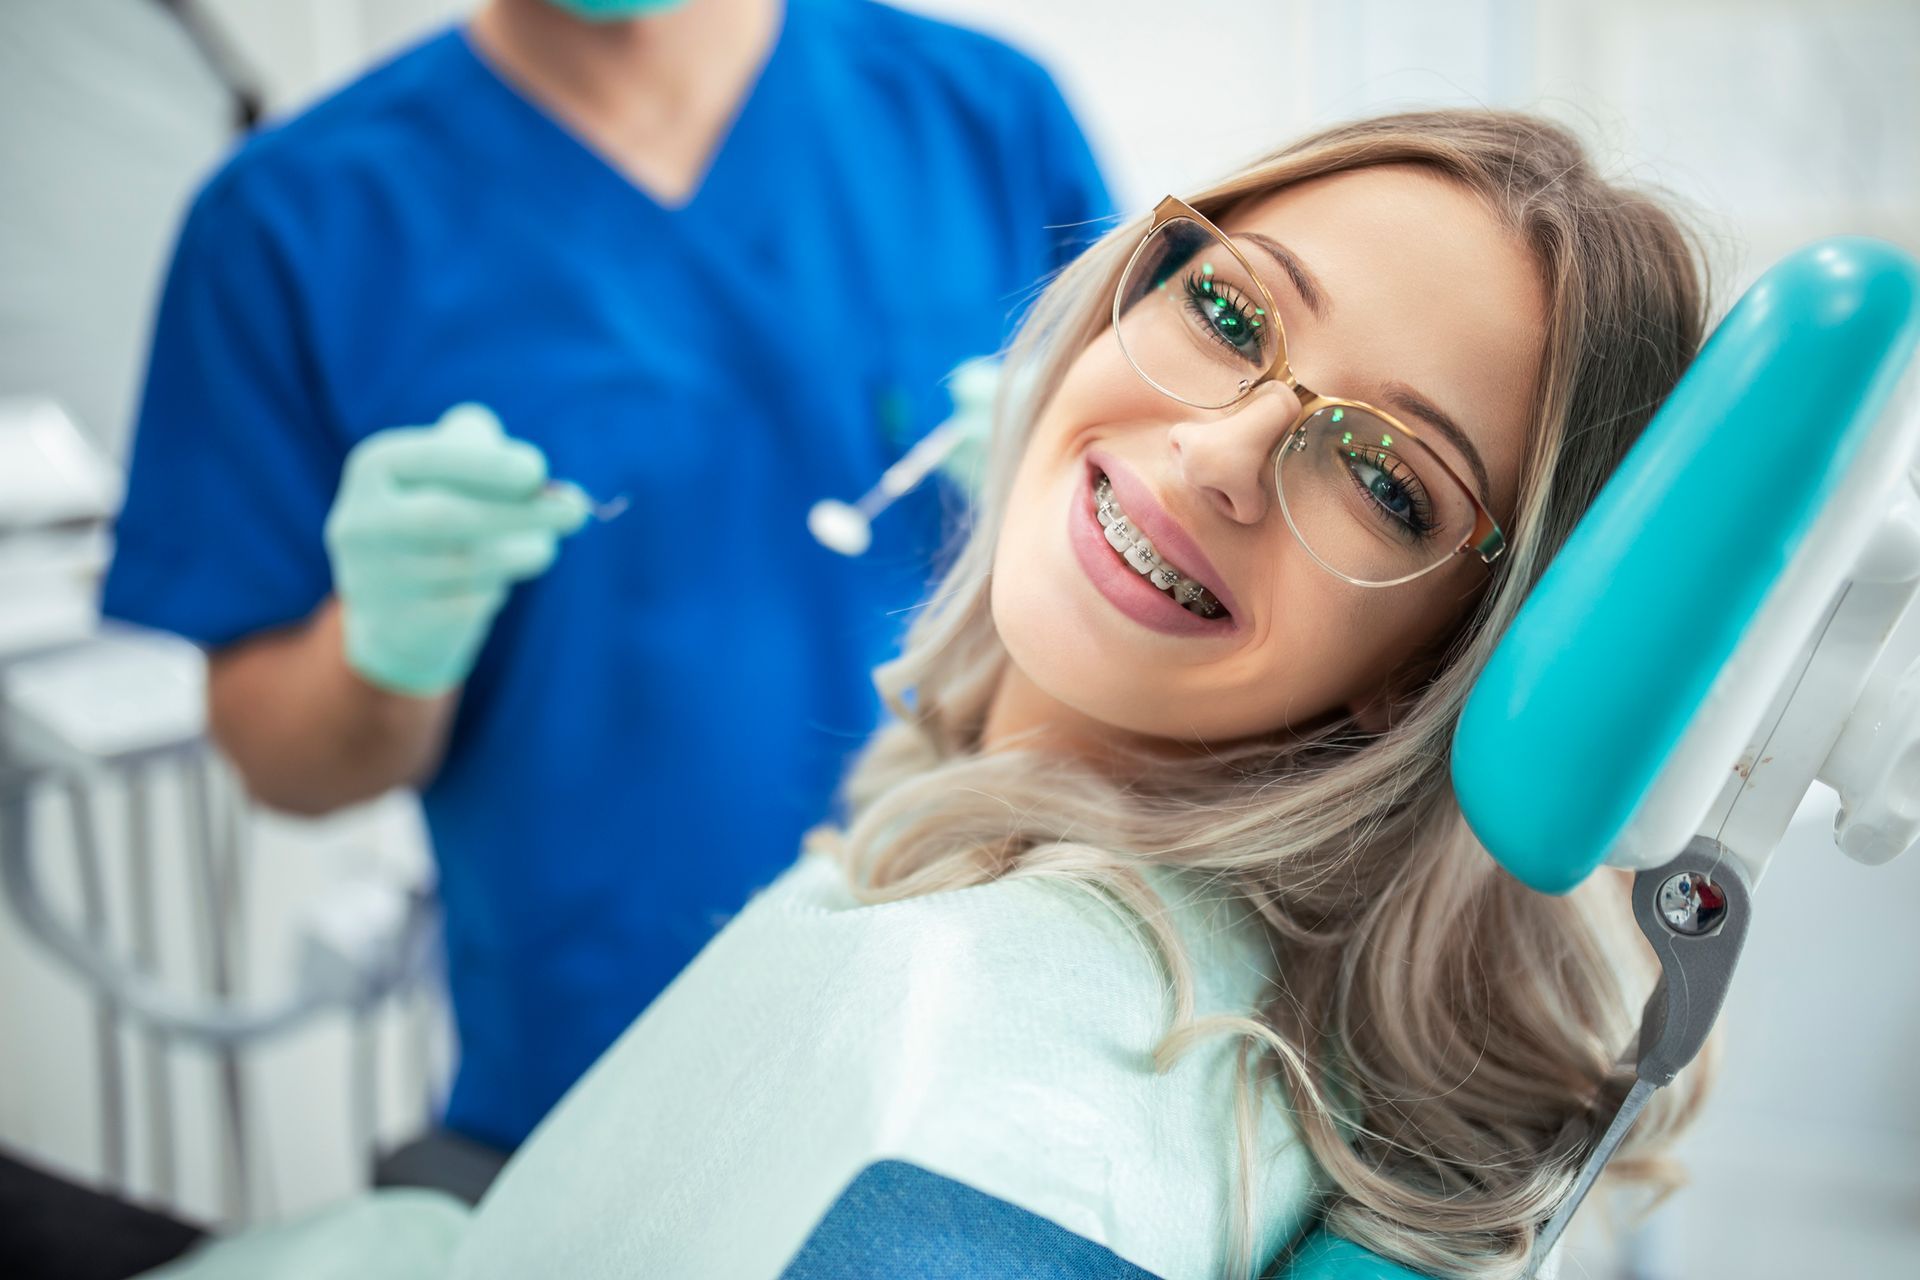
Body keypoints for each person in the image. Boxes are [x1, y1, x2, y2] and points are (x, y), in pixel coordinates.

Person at [139, 108, 1714, 1280]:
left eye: (1384, 479)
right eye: (1228, 312)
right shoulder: (298, 208)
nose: (1222, 452)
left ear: (1449, 663)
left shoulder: (1015, 1089)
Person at [102, 0, 1109, 1151]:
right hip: (589, 1090)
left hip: (985, 1036)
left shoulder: (980, 116)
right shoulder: (292, 219)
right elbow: (281, 759)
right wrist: (384, 642)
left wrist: (1081, 507)